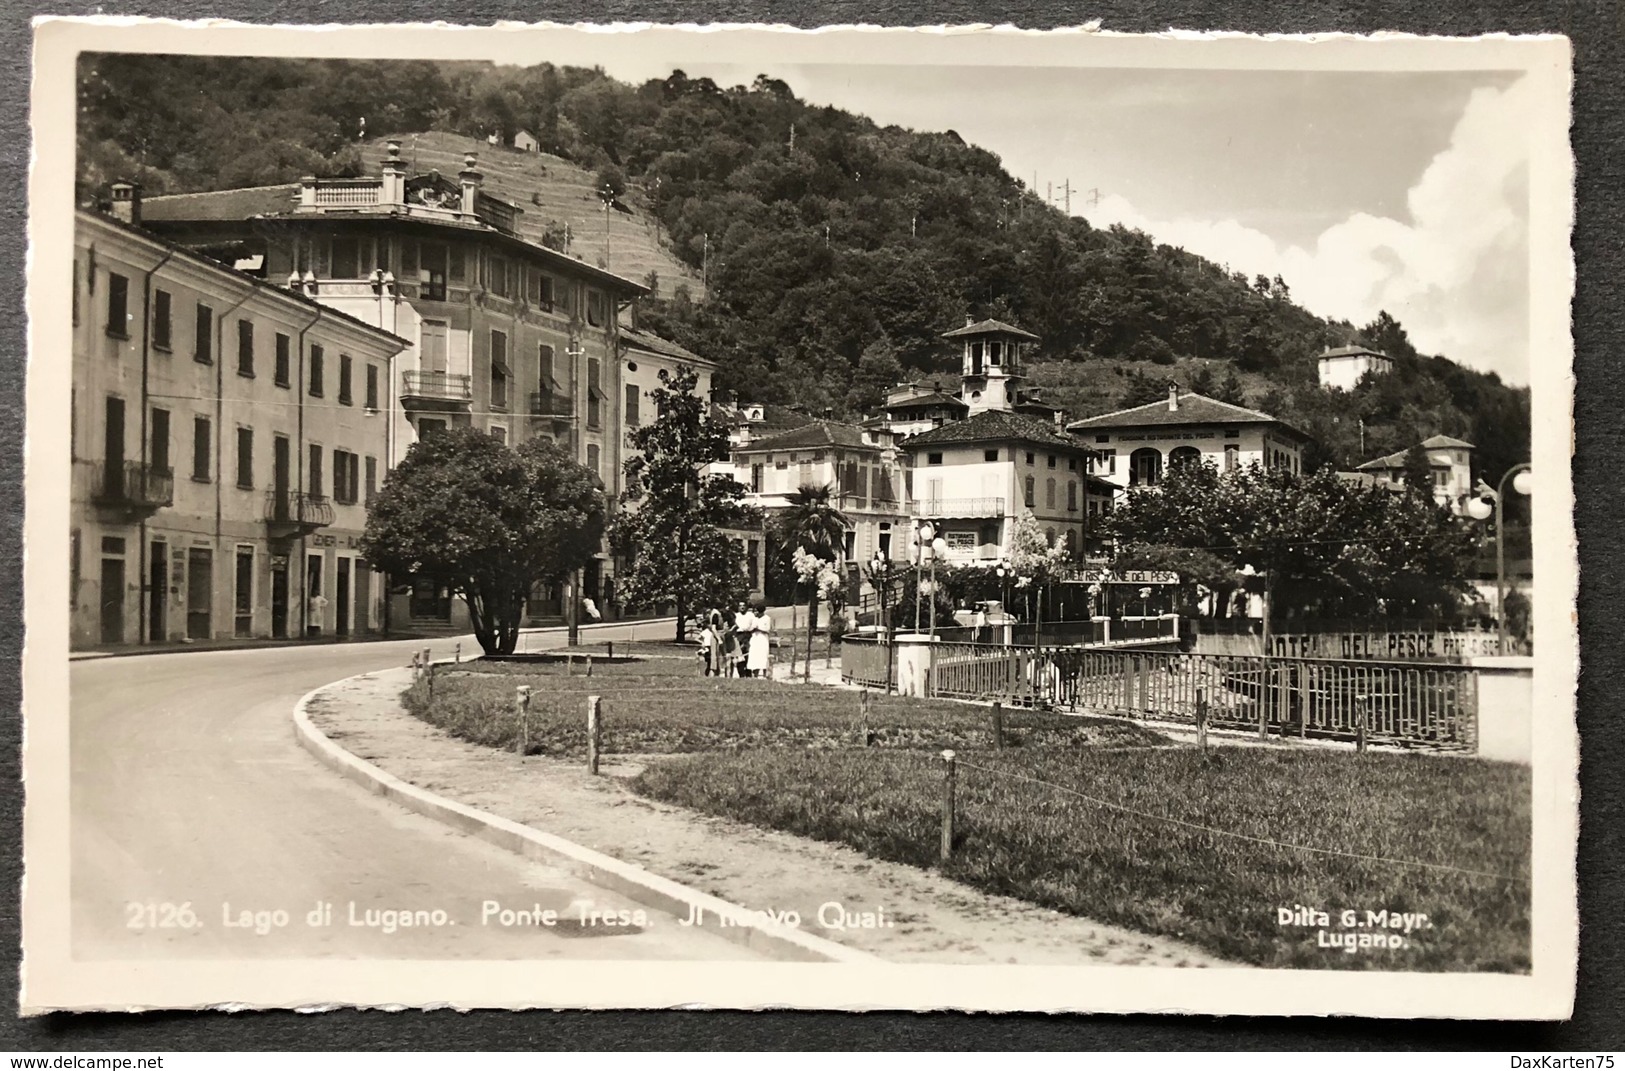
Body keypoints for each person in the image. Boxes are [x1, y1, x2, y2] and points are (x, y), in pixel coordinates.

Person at [745, 595, 773, 679]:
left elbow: (767, 629)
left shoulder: (766, 618)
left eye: (756, 611)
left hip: (762, 639)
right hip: (755, 639)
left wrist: (759, 628)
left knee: (763, 656)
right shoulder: (754, 619)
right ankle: (755, 674)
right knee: (754, 656)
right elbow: (750, 628)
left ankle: (764, 674)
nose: (755, 613)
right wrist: (751, 629)